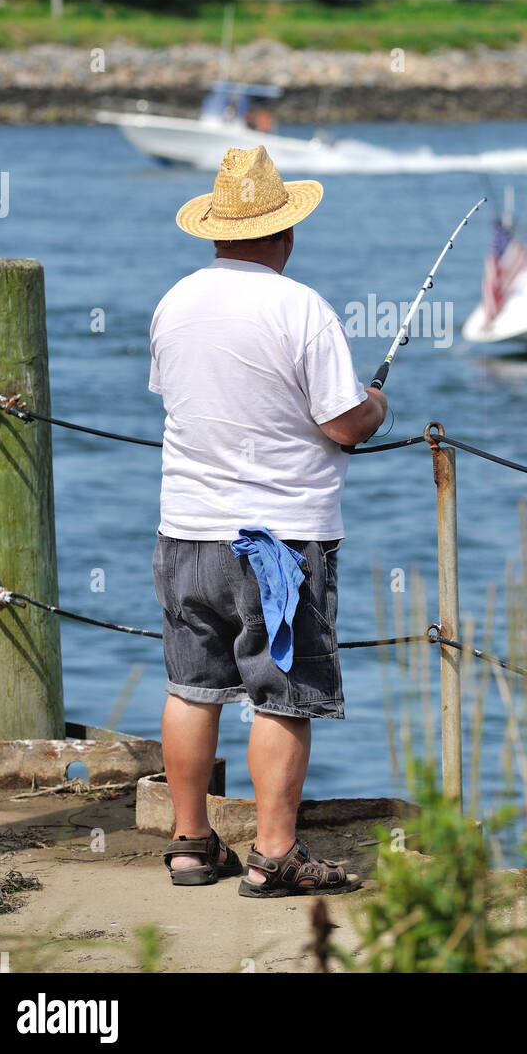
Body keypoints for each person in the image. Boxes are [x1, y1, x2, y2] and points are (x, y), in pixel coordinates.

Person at [149, 145, 386, 896]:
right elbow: (344, 425)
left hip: (185, 530)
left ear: (214, 231)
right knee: (282, 694)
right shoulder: (300, 306)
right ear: (285, 233)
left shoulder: (174, 301)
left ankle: (190, 846)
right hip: (278, 540)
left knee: (192, 686)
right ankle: (274, 855)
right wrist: (378, 403)